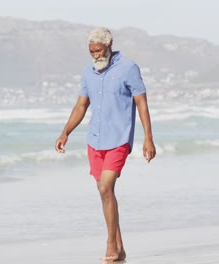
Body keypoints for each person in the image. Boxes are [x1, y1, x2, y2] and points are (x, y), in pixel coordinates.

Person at [55, 27, 156, 262]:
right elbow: (81, 106)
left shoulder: (128, 68)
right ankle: (120, 249)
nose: (95, 56)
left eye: (98, 51)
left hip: (119, 139)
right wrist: (65, 132)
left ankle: (110, 243)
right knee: (106, 193)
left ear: (109, 45)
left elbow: (141, 103)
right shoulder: (88, 73)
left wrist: (148, 138)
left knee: (105, 188)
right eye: (91, 52)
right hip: (95, 140)